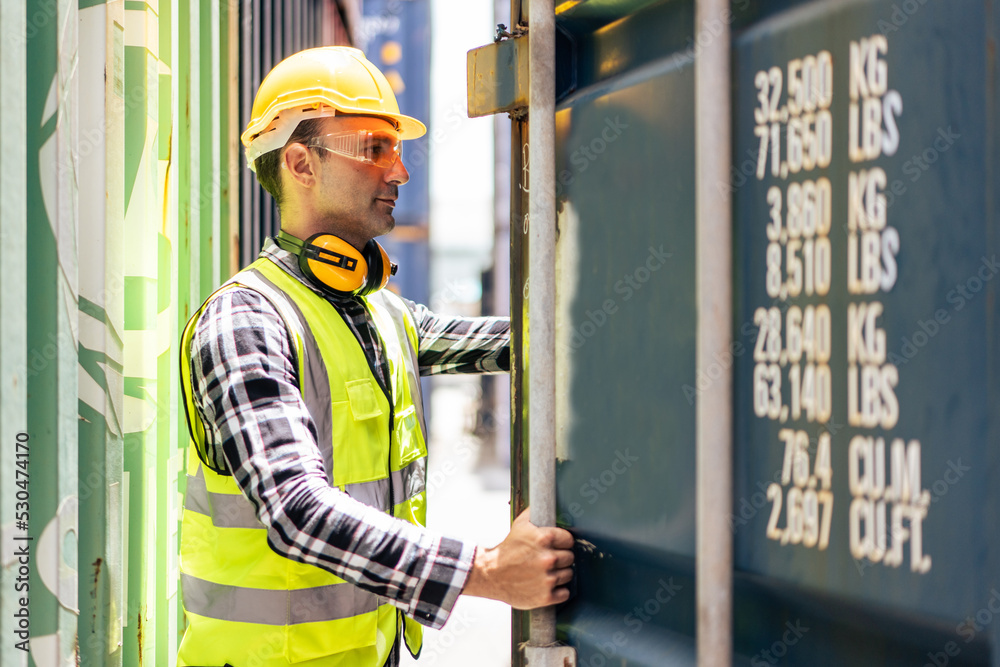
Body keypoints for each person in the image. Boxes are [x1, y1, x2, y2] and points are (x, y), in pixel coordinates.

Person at [176, 46, 574, 667]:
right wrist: (488, 570)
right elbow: (296, 511)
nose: (399, 173)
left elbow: (507, 343)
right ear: (301, 163)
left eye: (397, 150)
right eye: (373, 149)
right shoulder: (246, 320)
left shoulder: (382, 313)